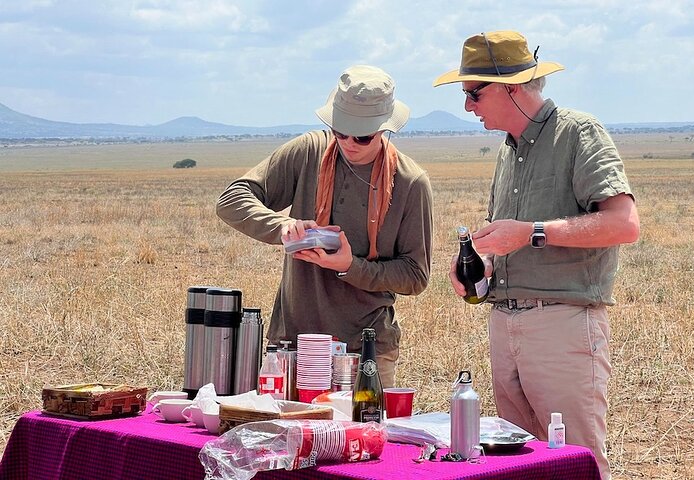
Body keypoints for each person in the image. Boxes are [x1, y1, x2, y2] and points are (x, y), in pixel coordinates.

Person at [434, 31, 639, 479]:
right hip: (505, 325)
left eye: (474, 93)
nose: (468, 106)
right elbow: (508, 240)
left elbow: (624, 224)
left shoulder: (579, 132)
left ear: (511, 87)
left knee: (576, 462)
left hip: (561, 326)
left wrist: (531, 233)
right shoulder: (508, 152)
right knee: (519, 466)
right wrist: (480, 264)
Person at [217, 65, 433, 388]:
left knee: (367, 438)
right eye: (340, 131)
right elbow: (231, 199)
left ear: (384, 128)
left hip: (367, 352)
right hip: (293, 346)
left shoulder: (410, 182)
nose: (348, 142)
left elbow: (416, 276)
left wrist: (351, 267)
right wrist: (282, 226)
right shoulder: (308, 152)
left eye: (361, 136)